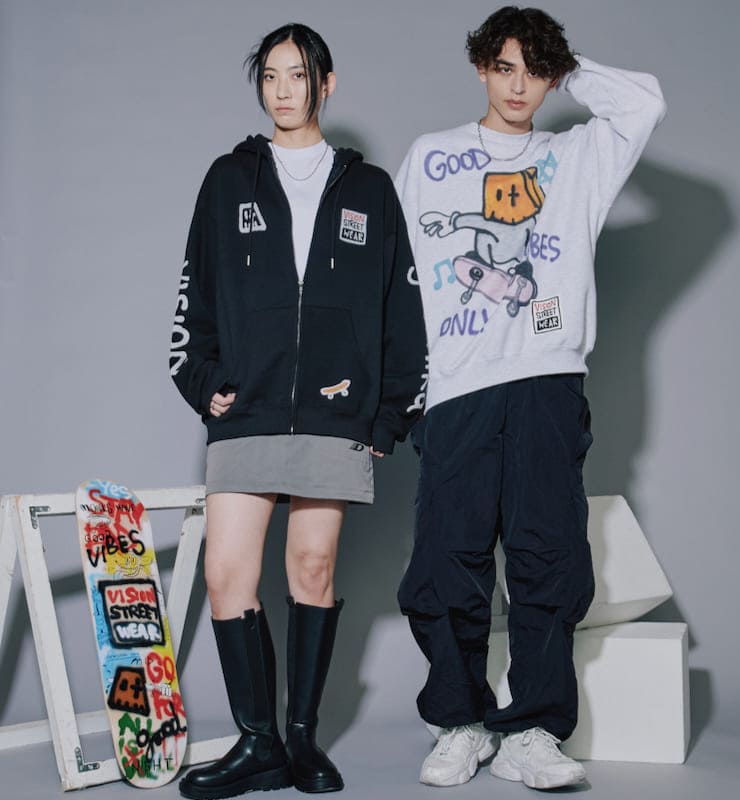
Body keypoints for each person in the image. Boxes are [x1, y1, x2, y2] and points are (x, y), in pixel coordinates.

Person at [395, 5, 666, 791]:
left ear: (553, 78)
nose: (519, 87)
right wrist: (404, 392)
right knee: (446, 563)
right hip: (455, 387)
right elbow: (395, 278)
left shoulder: (577, 156)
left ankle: (534, 730)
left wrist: (567, 65)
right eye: (506, 67)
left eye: (536, 71)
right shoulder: (431, 156)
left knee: (549, 559)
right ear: (481, 68)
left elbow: (642, 102)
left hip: (547, 380)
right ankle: (460, 721)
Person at [170, 22, 426, 799]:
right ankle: (259, 744)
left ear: (327, 82)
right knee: (226, 575)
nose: (283, 91)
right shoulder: (228, 179)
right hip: (248, 407)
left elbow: (402, 309)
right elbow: (194, 292)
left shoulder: (369, 189)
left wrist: (389, 414)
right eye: (271, 77)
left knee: (311, 569)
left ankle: (303, 739)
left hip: (335, 410)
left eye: (297, 75)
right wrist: (199, 377)